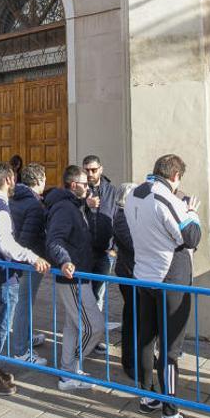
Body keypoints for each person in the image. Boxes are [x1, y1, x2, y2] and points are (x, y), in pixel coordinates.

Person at [125, 154, 208, 418]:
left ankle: (148, 396)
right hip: (169, 278)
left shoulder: (134, 193)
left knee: (146, 339)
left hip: (144, 274)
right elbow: (192, 238)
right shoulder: (165, 198)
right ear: (175, 176)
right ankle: (171, 415)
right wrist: (191, 212)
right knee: (171, 349)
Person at [0, 162, 49, 396]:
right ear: (9, 180)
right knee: (1, 327)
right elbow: (4, 243)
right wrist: (32, 256)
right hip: (3, 275)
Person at [44, 165, 106, 390]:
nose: (88, 186)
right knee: (95, 326)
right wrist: (65, 261)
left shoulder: (75, 206)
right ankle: (69, 368)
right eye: (84, 183)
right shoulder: (64, 208)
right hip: (72, 277)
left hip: (81, 274)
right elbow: (54, 240)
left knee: (72, 326)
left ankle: (67, 374)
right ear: (74, 185)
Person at [9, 163, 48, 365]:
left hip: (21, 261)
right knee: (24, 304)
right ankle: (21, 351)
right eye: (45, 178)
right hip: (29, 262)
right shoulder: (33, 204)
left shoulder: (16, 197)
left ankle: (24, 337)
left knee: (24, 303)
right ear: (39, 180)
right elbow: (27, 238)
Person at [82, 155, 118, 310]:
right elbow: (69, 213)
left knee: (98, 294)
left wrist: (114, 249)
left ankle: (95, 331)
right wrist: (84, 203)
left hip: (105, 253)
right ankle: (84, 329)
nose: (90, 174)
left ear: (100, 170)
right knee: (83, 293)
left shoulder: (112, 191)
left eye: (93, 170)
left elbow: (118, 219)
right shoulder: (79, 191)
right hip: (84, 251)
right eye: (87, 170)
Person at [113, 182, 137, 379]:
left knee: (139, 317)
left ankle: (140, 356)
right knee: (131, 317)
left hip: (135, 273)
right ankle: (129, 360)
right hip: (128, 273)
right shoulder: (121, 217)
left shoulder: (131, 215)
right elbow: (132, 244)